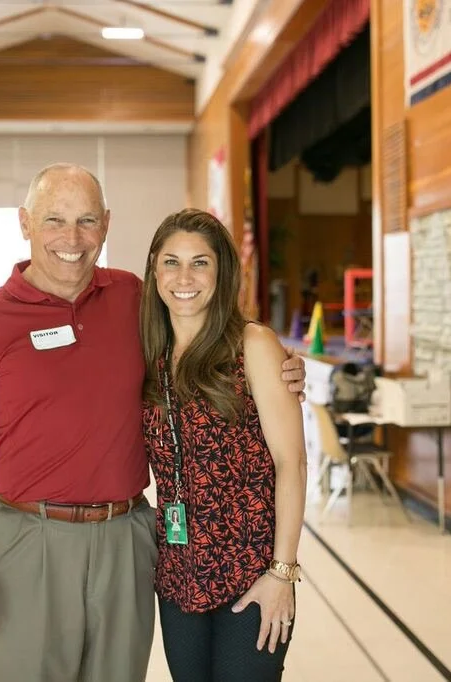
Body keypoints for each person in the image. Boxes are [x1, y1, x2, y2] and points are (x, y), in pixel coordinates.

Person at [0, 163, 307, 682]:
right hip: (27, 538)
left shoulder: (134, 300)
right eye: (54, 221)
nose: (72, 238)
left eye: (86, 220)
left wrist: (280, 364)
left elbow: (216, 335)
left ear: (106, 225)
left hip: (129, 537)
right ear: (25, 223)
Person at [141, 208, 308, 681]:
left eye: (200, 263)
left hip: (252, 575)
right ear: (154, 270)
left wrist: (282, 573)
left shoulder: (252, 345)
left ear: (222, 273)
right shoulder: (150, 355)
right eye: (171, 262)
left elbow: (291, 464)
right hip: (177, 577)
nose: (184, 277)